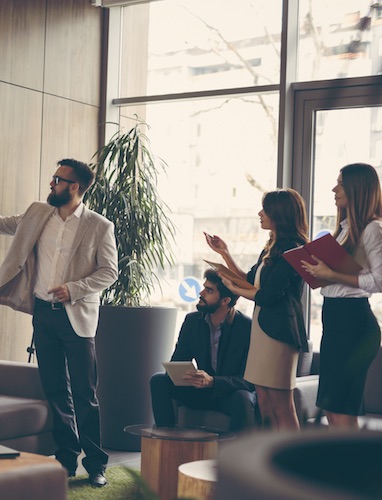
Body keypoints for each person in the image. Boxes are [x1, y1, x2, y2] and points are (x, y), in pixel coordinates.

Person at [0, 158, 118, 488]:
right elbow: (1, 222)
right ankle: (65, 458)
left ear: (75, 187)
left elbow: (109, 272)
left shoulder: (99, 225)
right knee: (55, 391)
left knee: (84, 394)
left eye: (58, 179)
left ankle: (96, 464)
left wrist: (74, 289)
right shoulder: (38, 213)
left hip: (77, 319)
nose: (51, 184)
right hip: (44, 314)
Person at [205, 188, 310, 431]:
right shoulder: (272, 247)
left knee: (282, 404)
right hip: (263, 330)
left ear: (279, 213)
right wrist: (224, 253)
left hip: (280, 333)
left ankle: (292, 463)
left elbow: (267, 295)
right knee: (263, 399)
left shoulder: (293, 248)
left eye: (265, 209)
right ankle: (271, 455)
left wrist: (234, 288)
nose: (260, 213)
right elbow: (250, 280)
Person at [301, 163, 382, 429]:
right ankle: (342, 468)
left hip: (354, 324)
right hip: (335, 321)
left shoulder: (372, 229)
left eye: (341, 184)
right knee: (332, 411)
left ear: (358, 189)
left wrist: (332, 275)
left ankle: (353, 470)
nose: (334, 189)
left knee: (342, 410)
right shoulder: (345, 229)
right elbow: (339, 279)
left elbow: (379, 281)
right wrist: (319, 274)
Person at [150, 269, 257, 432]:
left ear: (225, 300)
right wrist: (186, 375)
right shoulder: (192, 321)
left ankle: (236, 455)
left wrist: (213, 381)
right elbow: (178, 361)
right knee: (159, 381)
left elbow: (249, 381)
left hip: (227, 394)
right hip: (199, 391)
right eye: (204, 287)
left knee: (243, 397)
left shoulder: (246, 327)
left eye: (209, 290)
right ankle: (168, 442)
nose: (201, 293)